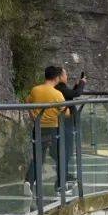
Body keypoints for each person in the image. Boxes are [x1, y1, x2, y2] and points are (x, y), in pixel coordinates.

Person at [25, 64, 68, 196]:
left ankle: (28, 182)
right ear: (56, 78)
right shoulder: (58, 94)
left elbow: (27, 101)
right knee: (60, 156)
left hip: (38, 128)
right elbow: (65, 113)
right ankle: (61, 185)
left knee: (38, 157)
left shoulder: (35, 90)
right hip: (53, 129)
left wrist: (33, 116)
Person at [57, 66, 87, 182]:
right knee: (66, 150)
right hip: (65, 122)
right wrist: (82, 83)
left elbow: (71, 94)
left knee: (67, 151)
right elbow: (77, 94)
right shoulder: (59, 87)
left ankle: (65, 174)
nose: (66, 76)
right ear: (59, 77)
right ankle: (62, 177)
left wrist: (76, 85)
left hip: (66, 122)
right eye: (65, 74)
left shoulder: (61, 88)